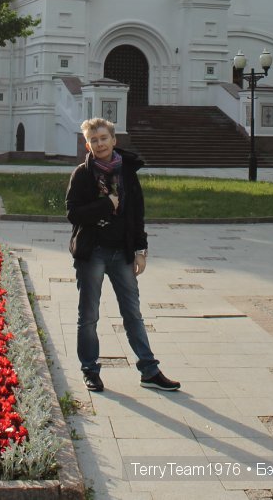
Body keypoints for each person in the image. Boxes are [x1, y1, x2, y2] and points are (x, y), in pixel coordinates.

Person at [65, 117, 180, 393]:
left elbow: (137, 214)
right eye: (94, 140)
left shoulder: (127, 173)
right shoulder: (82, 174)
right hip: (92, 252)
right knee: (89, 315)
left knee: (133, 313)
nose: (100, 144)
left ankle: (149, 371)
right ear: (87, 145)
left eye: (104, 138)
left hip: (122, 252)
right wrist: (106, 204)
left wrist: (141, 250)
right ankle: (90, 370)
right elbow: (73, 213)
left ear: (114, 140)